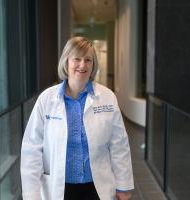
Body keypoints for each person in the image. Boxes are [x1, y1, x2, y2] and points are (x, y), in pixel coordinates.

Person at [21, 36, 134, 200]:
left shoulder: (107, 97)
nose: (83, 65)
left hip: (97, 187)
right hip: (59, 189)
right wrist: (32, 194)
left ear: (93, 64)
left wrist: (123, 185)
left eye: (88, 60)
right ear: (66, 62)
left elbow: (119, 144)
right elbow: (32, 149)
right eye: (77, 59)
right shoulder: (46, 99)